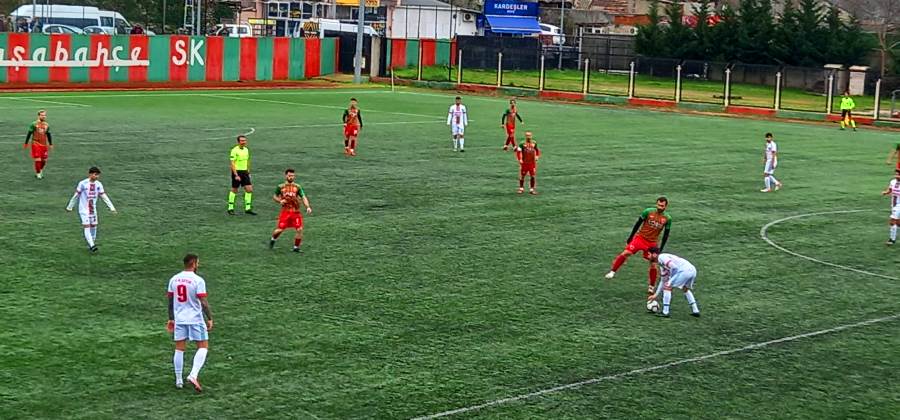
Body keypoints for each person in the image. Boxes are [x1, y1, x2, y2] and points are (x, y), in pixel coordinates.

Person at [604, 197, 672, 297]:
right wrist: (631, 237)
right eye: (658, 205)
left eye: (662, 206)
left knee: (653, 264)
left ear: (666, 206)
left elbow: (666, 234)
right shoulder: (648, 212)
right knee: (626, 253)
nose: (659, 207)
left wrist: (660, 248)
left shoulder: (667, 218)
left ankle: (651, 286)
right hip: (640, 239)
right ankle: (612, 271)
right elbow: (638, 224)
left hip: (652, 243)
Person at [166, 253, 213, 392]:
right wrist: (209, 318)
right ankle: (193, 375)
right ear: (193, 263)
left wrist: (171, 318)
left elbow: (170, 301)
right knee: (203, 346)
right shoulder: (198, 280)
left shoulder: (174, 279)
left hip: (179, 318)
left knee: (179, 348)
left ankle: (179, 380)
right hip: (195, 319)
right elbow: (203, 302)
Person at [65, 167, 117, 253]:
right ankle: (92, 246)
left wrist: (112, 207)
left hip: (93, 209)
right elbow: (76, 196)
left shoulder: (99, 184)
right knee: (87, 226)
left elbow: (104, 196)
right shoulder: (83, 183)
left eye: (98, 175)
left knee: (94, 226)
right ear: (90, 174)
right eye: (95, 174)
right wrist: (70, 207)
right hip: (84, 209)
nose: (97, 176)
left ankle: (91, 243)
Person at [646, 248, 700, 318]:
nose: (648, 256)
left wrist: (670, 280)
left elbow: (674, 267)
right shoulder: (662, 265)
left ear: (654, 254)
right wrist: (655, 295)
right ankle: (695, 310)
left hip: (684, 271)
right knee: (685, 288)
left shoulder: (661, 257)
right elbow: (663, 281)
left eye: (649, 254)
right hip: (692, 270)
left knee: (667, 287)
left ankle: (665, 312)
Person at [269, 168, 312, 252]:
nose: (291, 177)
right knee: (280, 230)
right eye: (289, 176)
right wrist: (280, 201)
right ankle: (273, 239)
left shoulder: (297, 187)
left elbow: (303, 197)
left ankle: (296, 247)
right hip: (285, 212)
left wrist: (308, 207)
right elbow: (274, 196)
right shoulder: (280, 187)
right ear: (286, 176)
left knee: (299, 229)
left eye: (292, 176)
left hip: (295, 212)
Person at [227, 135, 255, 215]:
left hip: (244, 172)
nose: (244, 142)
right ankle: (230, 208)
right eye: (242, 141)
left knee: (249, 189)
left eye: (245, 140)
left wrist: (248, 171)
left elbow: (247, 161)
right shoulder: (234, 150)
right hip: (237, 172)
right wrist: (236, 175)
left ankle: (248, 208)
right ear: (238, 142)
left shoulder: (246, 150)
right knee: (234, 190)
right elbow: (232, 163)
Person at [23, 110, 52, 179]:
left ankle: (40, 170)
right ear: (38, 116)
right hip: (36, 143)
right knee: (38, 159)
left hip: (44, 144)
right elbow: (29, 133)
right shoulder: (34, 124)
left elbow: (48, 134)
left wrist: (50, 143)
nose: (44, 116)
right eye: (42, 115)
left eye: (44, 115)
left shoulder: (47, 125)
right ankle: (38, 173)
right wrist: (26, 143)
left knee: (44, 160)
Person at [881, 170, 900, 246]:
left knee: (892, 222)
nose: (896, 176)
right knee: (898, 223)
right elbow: (890, 190)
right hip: (894, 204)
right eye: (896, 174)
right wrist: (886, 192)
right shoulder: (893, 182)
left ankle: (892, 239)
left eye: (898, 175)